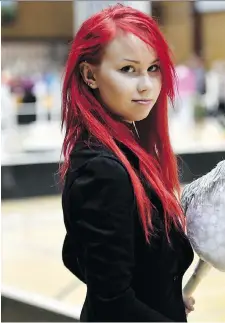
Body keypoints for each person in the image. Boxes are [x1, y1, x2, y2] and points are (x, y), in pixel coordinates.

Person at [59, 4, 195, 322]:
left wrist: (160, 293)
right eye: (128, 70)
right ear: (89, 75)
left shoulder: (126, 154)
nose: (146, 84)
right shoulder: (103, 170)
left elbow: (76, 255)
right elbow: (113, 304)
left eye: (154, 68)